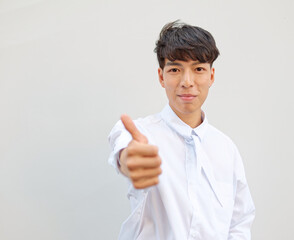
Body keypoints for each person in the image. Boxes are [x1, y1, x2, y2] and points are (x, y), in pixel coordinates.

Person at [108, 20, 255, 240]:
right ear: (161, 76)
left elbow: (239, 222)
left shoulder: (226, 148)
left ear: (211, 76)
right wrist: (129, 159)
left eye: (198, 69)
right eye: (175, 69)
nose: (187, 82)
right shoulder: (140, 133)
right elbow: (124, 147)